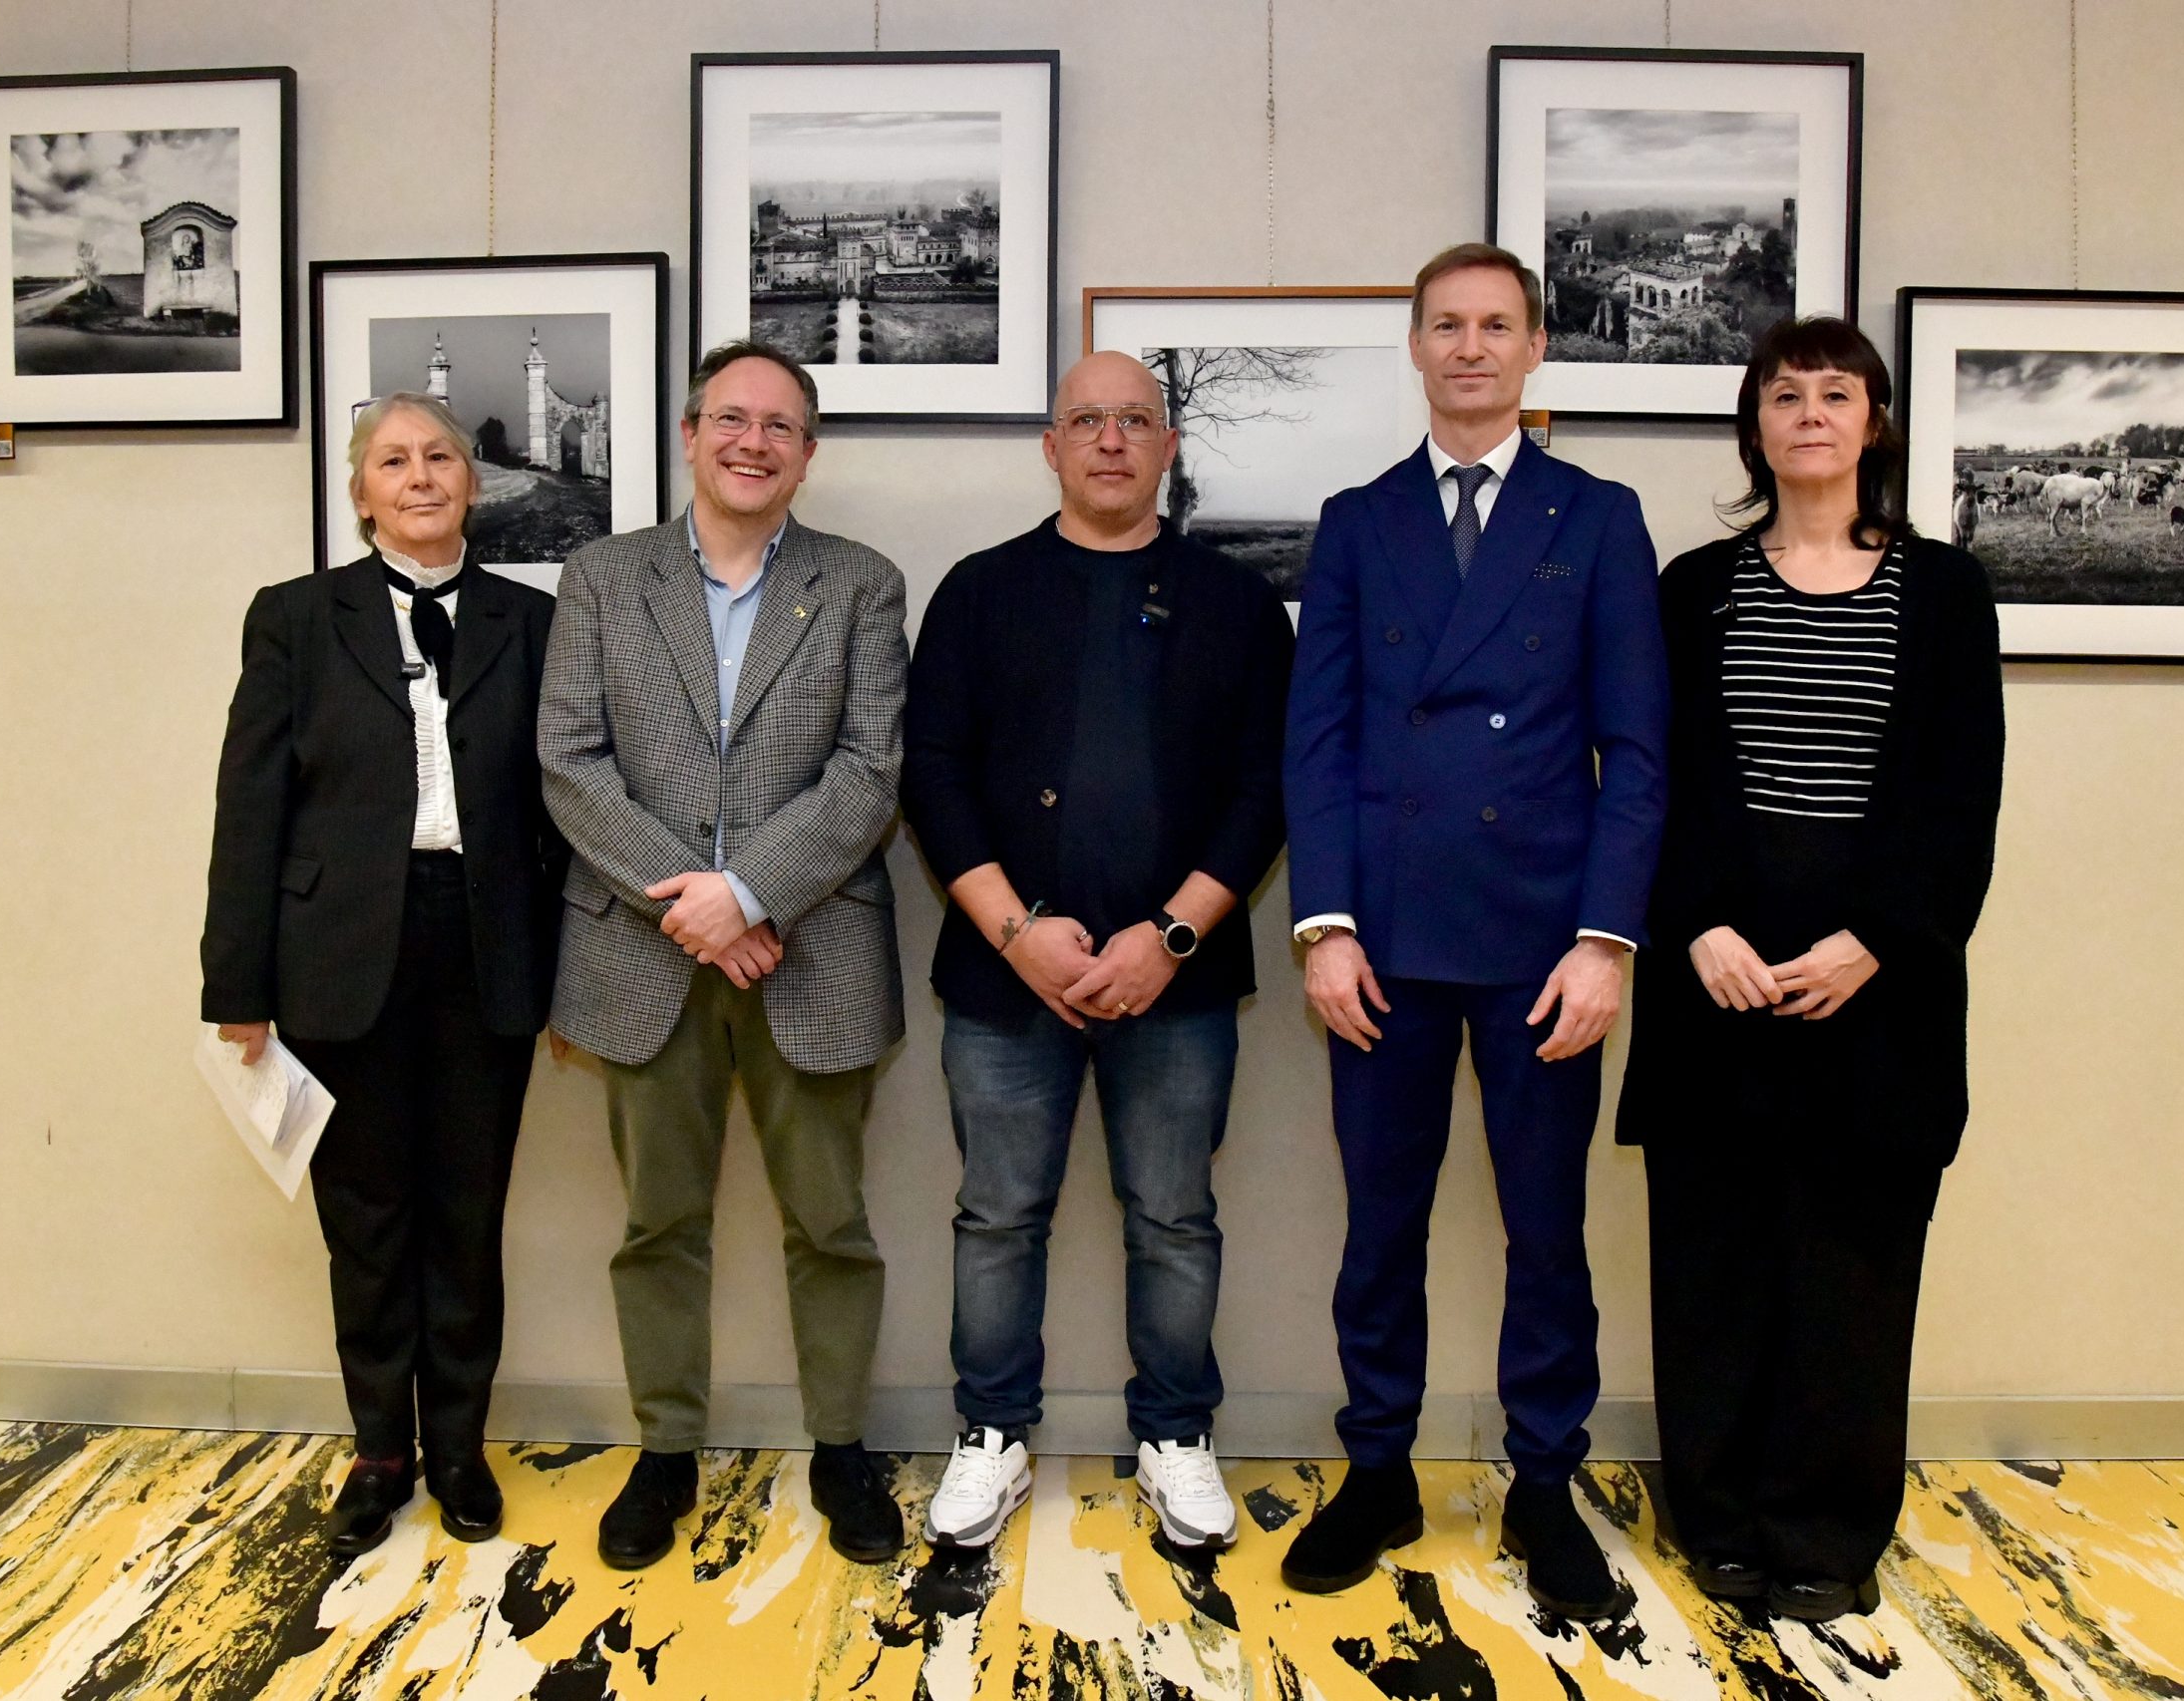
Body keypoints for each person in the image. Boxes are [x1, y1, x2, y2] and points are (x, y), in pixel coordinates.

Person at [1277, 242, 1668, 1617]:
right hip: (1379, 938)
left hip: (1541, 944)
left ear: (1534, 345)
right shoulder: (1359, 516)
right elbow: (1314, 740)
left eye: (1496, 324)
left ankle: (1544, 1483)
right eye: (1447, 323)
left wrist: (1607, 941)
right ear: (1416, 344)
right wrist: (1321, 923)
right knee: (1379, 1226)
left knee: (1545, 1232)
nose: (1470, 346)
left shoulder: (1599, 516)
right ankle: (1377, 1467)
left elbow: (1640, 749)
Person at [1615, 316, 2004, 1622]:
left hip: (1875, 992)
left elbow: (1961, 801)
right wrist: (1699, 926)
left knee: (1849, 1274)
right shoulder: (1694, 587)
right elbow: (1650, 782)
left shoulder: (1945, 591)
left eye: (1838, 393)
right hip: (1713, 974)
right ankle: (1719, 1518)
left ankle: (1828, 1532)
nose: (1812, 414)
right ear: (1755, 427)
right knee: (1715, 1265)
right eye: (1785, 396)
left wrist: (1878, 939)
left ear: (1875, 421)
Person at [900, 352, 1294, 1552]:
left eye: (1135, 420)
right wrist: (1016, 931)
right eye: (1088, 419)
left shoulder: (1232, 601)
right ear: (1051, 446)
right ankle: (990, 1434)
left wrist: (1169, 933)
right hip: (1002, 976)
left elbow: (1263, 789)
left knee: (1173, 1215)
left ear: (1166, 446)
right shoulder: (978, 590)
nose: (1112, 439)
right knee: (995, 1216)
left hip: (1174, 981)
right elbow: (934, 776)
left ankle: (1175, 1433)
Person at [539, 341, 909, 1570]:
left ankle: (842, 1447)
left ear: (809, 452)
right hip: (640, 963)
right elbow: (570, 762)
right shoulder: (601, 576)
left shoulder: (861, 583)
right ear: (691, 434)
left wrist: (749, 892)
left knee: (833, 1224)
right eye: (731, 419)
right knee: (658, 1224)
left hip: (814, 956)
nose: (753, 442)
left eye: (781, 425)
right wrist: (688, 907)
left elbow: (869, 773)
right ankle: (664, 1451)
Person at [200, 392, 566, 1557]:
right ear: (360, 491)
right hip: (336, 954)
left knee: (467, 1210)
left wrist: (570, 975)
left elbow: (564, 805)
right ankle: (380, 1448)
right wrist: (236, 983)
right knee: (366, 1218)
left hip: (487, 941)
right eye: (393, 460)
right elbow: (249, 806)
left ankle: (458, 1446)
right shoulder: (295, 618)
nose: (419, 476)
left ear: (476, 480)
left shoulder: (534, 618)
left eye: (441, 456)